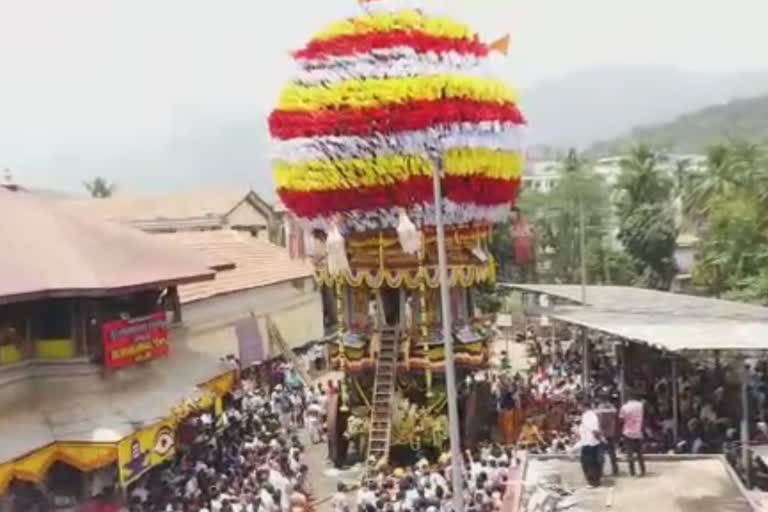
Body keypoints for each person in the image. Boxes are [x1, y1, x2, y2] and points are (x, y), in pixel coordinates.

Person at [576, 399, 603, 487]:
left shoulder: (588, 415)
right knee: (593, 462)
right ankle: (595, 480)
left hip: (589, 442)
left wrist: (599, 438)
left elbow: (594, 429)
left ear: (584, 406)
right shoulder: (590, 415)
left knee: (588, 463)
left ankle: (592, 481)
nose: (578, 408)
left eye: (579, 406)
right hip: (590, 441)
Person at [619, 391, 646, 477]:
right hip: (638, 431)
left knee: (629, 453)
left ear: (627, 398)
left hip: (628, 432)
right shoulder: (640, 405)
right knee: (639, 453)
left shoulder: (624, 407)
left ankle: (632, 472)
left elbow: (621, 419)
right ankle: (642, 471)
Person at [595, 391, 619, 476]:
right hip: (611, 432)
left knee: (601, 453)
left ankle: (600, 471)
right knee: (612, 453)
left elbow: (600, 422)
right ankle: (615, 469)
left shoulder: (599, 408)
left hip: (603, 433)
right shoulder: (612, 408)